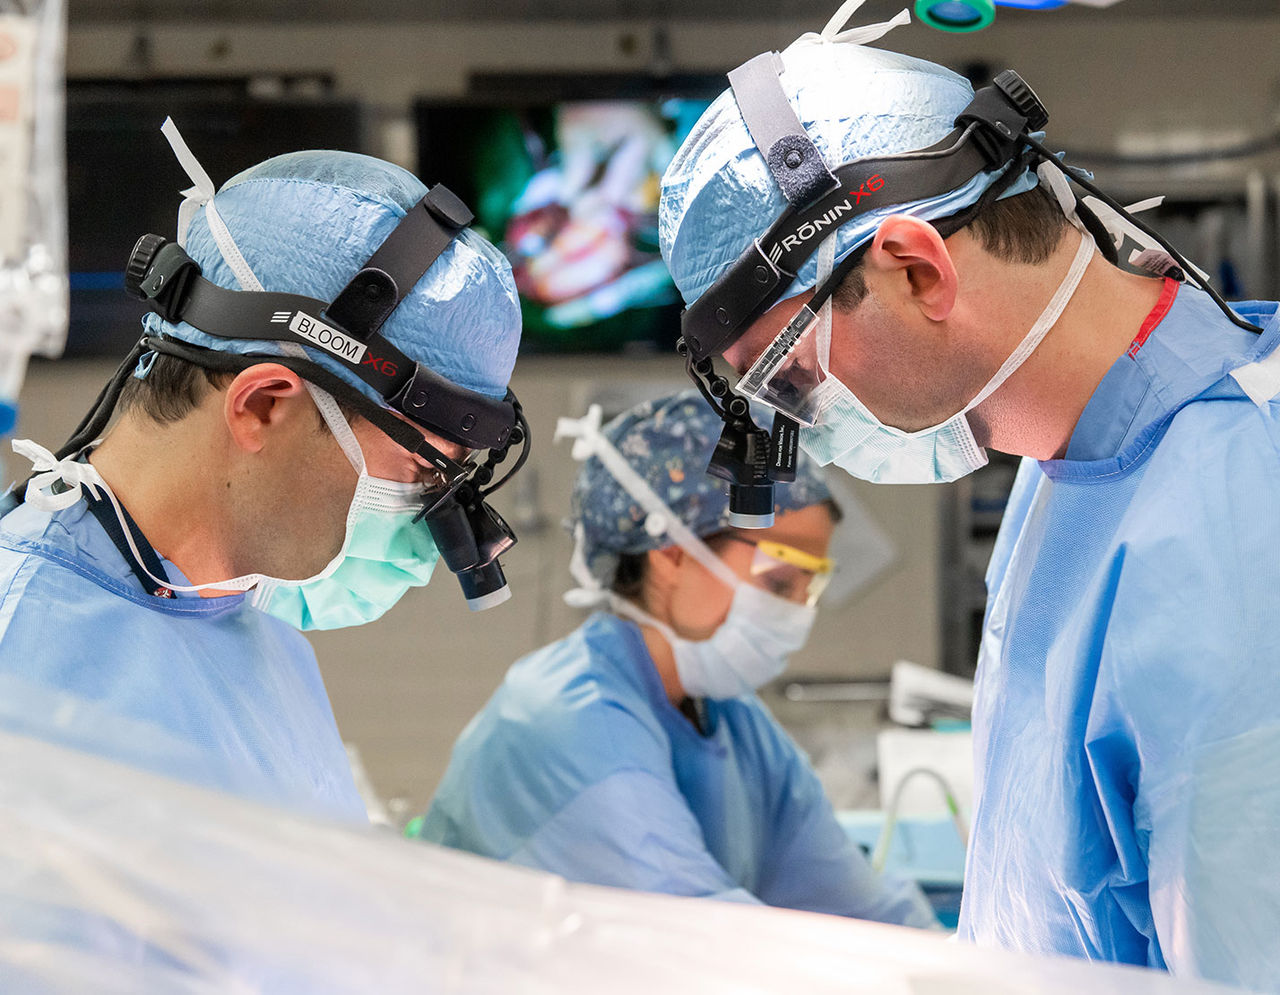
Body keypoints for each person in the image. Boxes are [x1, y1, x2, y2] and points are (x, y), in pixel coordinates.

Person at [656, 3, 1280, 989]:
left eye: (789, 373)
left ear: (914, 267)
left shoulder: (1240, 508)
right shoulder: (1063, 466)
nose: (805, 417)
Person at [0, 127, 523, 820]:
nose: (433, 527)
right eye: (425, 469)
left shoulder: (257, 638)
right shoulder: (24, 657)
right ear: (263, 406)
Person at [412, 390, 936, 927]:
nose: (798, 613)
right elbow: (702, 941)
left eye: (811, 587)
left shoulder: (734, 721)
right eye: (780, 580)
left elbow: (856, 906)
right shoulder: (570, 720)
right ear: (673, 553)